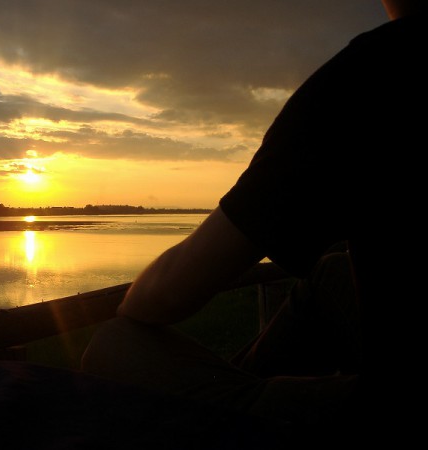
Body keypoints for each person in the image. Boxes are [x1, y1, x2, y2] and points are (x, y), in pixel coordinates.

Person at [82, 1, 427, 446]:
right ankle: (243, 392)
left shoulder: (374, 71)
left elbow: (166, 294)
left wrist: (133, 302)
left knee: (115, 342)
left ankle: (241, 422)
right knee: (330, 274)